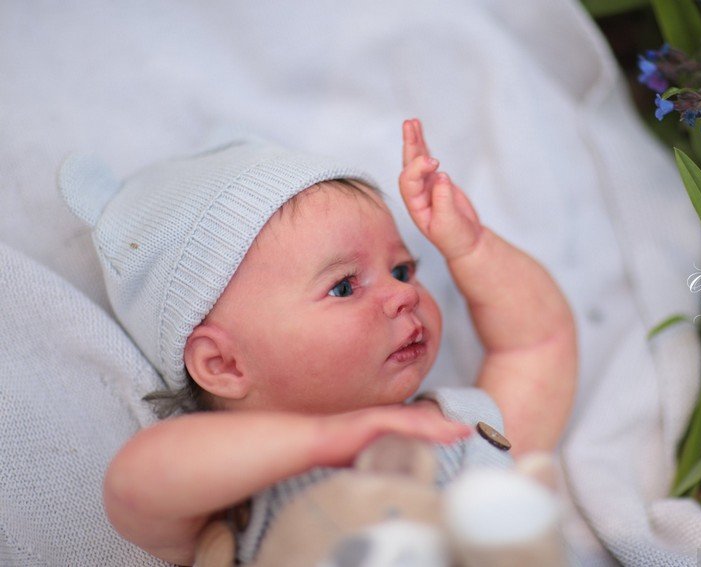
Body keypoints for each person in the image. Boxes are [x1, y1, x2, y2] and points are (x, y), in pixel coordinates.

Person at [67, 119, 576, 565]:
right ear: (223, 364)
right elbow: (134, 485)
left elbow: (536, 344)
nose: (404, 294)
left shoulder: (453, 430)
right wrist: (322, 440)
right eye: (344, 286)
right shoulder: (233, 495)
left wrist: (472, 247)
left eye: (402, 269)